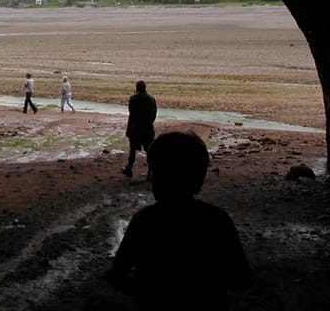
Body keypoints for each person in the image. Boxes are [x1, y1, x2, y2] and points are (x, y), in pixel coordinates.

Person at [106, 131, 253, 310]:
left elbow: (117, 274)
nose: (151, 178)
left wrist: (149, 289)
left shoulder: (145, 221)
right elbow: (242, 279)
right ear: (199, 176)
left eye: (155, 170)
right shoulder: (217, 220)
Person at [123, 80, 157, 178]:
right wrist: (149, 123)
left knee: (132, 151)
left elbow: (131, 113)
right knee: (149, 151)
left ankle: (129, 169)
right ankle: (150, 173)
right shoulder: (151, 99)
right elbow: (154, 114)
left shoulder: (133, 99)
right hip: (148, 129)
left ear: (137, 88)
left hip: (136, 129)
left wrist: (129, 129)